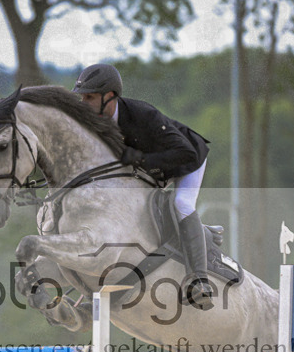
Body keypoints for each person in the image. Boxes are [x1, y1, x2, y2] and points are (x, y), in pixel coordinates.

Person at [72, 62, 214, 309]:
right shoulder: (92, 122)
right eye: (82, 97)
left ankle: (199, 280)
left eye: (89, 97)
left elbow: (185, 154)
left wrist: (141, 159)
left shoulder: (143, 115)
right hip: (150, 171)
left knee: (181, 203)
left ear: (110, 96)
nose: (83, 103)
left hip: (187, 160)